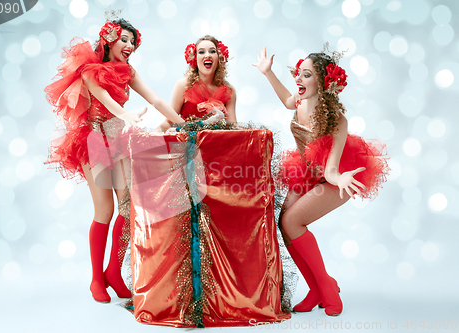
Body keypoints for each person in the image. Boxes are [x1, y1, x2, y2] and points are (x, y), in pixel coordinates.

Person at [45, 13, 186, 303]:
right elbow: (103, 97)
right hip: (95, 138)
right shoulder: (89, 69)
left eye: (133, 42)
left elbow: (156, 100)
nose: (130, 46)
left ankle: (114, 272)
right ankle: (97, 279)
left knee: (128, 208)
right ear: (109, 39)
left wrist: (182, 123)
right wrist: (126, 114)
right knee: (105, 211)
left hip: (120, 139)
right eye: (125, 39)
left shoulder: (129, 72)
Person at [253, 45, 388, 316]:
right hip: (305, 171)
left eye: (306, 75)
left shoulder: (338, 121)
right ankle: (315, 289)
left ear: (322, 82)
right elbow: (285, 100)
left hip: (335, 177)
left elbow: (331, 171)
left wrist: (340, 177)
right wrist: (268, 73)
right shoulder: (299, 101)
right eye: (299, 74)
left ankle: (326, 286)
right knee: (282, 223)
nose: (298, 80)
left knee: (292, 221)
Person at [157, 35, 236, 131]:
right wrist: (148, 139)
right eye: (201, 52)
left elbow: (233, 129)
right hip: (188, 144)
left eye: (212, 51)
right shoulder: (183, 85)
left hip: (218, 144)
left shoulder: (229, 91)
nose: (207, 55)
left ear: (219, 57)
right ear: (195, 58)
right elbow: (167, 122)